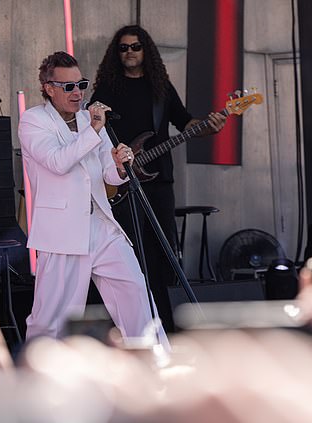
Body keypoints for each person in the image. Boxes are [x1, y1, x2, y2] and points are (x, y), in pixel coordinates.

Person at [18, 51, 168, 344]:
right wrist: (95, 130)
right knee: (52, 318)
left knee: (136, 292)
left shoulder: (89, 120)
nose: (78, 93)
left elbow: (108, 177)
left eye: (81, 84)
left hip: (100, 224)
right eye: (69, 86)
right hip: (63, 231)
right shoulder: (33, 121)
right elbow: (58, 162)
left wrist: (120, 165)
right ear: (49, 88)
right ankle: (40, 376)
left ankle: (157, 364)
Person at [91, 25, 227, 331]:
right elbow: (93, 133)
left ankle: (168, 323)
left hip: (159, 181)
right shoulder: (107, 91)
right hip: (123, 182)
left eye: (135, 47)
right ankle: (135, 323)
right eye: (123, 48)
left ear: (145, 50)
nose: (129, 52)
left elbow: (185, 122)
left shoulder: (160, 88)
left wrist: (211, 125)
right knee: (131, 255)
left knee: (164, 251)